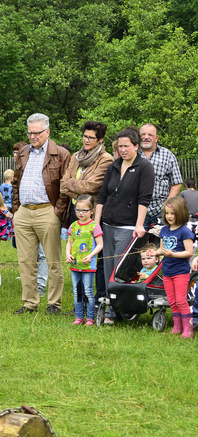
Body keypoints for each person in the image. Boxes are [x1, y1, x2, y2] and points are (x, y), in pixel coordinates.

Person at [11, 113, 71, 315]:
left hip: (47, 211)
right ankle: (30, 303)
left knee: (53, 261)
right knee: (26, 262)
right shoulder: (23, 152)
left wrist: (57, 211)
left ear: (47, 132)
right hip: (24, 212)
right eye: (30, 133)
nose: (32, 136)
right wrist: (16, 210)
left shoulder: (61, 154)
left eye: (37, 132)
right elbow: (16, 182)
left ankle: (54, 304)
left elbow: (65, 186)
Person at [94, 128, 154, 325]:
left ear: (136, 146)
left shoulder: (144, 167)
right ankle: (111, 308)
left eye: (126, 146)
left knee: (119, 269)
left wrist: (139, 224)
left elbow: (144, 198)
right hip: (107, 225)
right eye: (120, 146)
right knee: (108, 268)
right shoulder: (114, 166)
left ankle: (121, 310)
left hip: (128, 227)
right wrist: (96, 224)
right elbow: (103, 196)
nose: (123, 150)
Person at [59, 120, 115, 311]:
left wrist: (72, 184)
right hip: (76, 213)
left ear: (100, 140)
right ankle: (80, 304)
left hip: (95, 215)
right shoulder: (76, 156)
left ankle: (98, 300)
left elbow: (93, 186)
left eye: (91, 137)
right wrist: (78, 187)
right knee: (78, 256)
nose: (87, 140)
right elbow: (63, 184)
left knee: (95, 259)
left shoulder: (105, 159)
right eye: (85, 136)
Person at [147, 197, 194, 338]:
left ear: (181, 213)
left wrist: (173, 254)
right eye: (167, 213)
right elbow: (162, 249)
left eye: (172, 213)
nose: (169, 216)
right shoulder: (164, 230)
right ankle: (177, 328)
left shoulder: (184, 231)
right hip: (167, 271)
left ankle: (188, 330)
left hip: (180, 272)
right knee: (172, 301)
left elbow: (189, 252)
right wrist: (155, 252)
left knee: (181, 300)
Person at [65, 195, 103, 326]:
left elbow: (100, 245)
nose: (81, 213)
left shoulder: (95, 226)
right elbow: (69, 242)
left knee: (88, 291)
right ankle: (79, 317)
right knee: (77, 291)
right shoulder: (73, 226)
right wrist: (67, 254)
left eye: (84, 210)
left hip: (88, 265)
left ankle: (90, 317)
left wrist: (91, 255)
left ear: (92, 211)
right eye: (78, 210)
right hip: (75, 264)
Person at [139, 123, 183, 230]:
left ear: (156, 138)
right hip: (137, 210)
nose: (146, 137)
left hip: (160, 210)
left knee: (162, 239)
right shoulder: (133, 154)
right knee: (137, 240)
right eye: (143, 134)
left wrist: (167, 203)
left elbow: (177, 182)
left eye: (150, 135)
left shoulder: (168, 155)